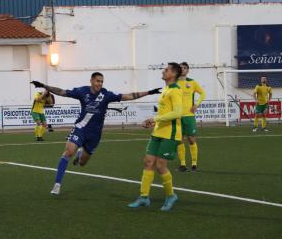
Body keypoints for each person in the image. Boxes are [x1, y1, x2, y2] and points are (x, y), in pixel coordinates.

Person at [31, 72, 162, 196]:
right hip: (80, 128)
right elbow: (62, 92)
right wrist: (44, 86)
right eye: (97, 81)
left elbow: (129, 96)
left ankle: (80, 153)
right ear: (92, 81)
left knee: (82, 163)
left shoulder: (106, 95)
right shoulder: (82, 91)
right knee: (67, 152)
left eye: (102, 81)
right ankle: (57, 184)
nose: (100, 83)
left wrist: (149, 92)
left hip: (95, 135)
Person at [128, 62, 183, 211]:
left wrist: (156, 119)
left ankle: (171, 196)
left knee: (160, 165)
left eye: (166, 70)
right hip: (158, 131)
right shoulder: (166, 90)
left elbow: (178, 113)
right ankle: (143, 197)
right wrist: (153, 122)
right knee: (148, 162)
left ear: (173, 74)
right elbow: (164, 113)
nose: (163, 71)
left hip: (170, 133)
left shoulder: (176, 91)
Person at [176, 62, 206, 172]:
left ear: (188, 70)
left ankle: (194, 163)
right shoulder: (173, 83)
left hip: (189, 115)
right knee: (179, 140)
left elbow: (202, 93)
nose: (182, 69)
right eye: (180, 68)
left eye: (184, 68)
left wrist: (196, 104)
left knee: (191, 139)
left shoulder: (192, 82)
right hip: (177, 116)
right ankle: (183, 164)